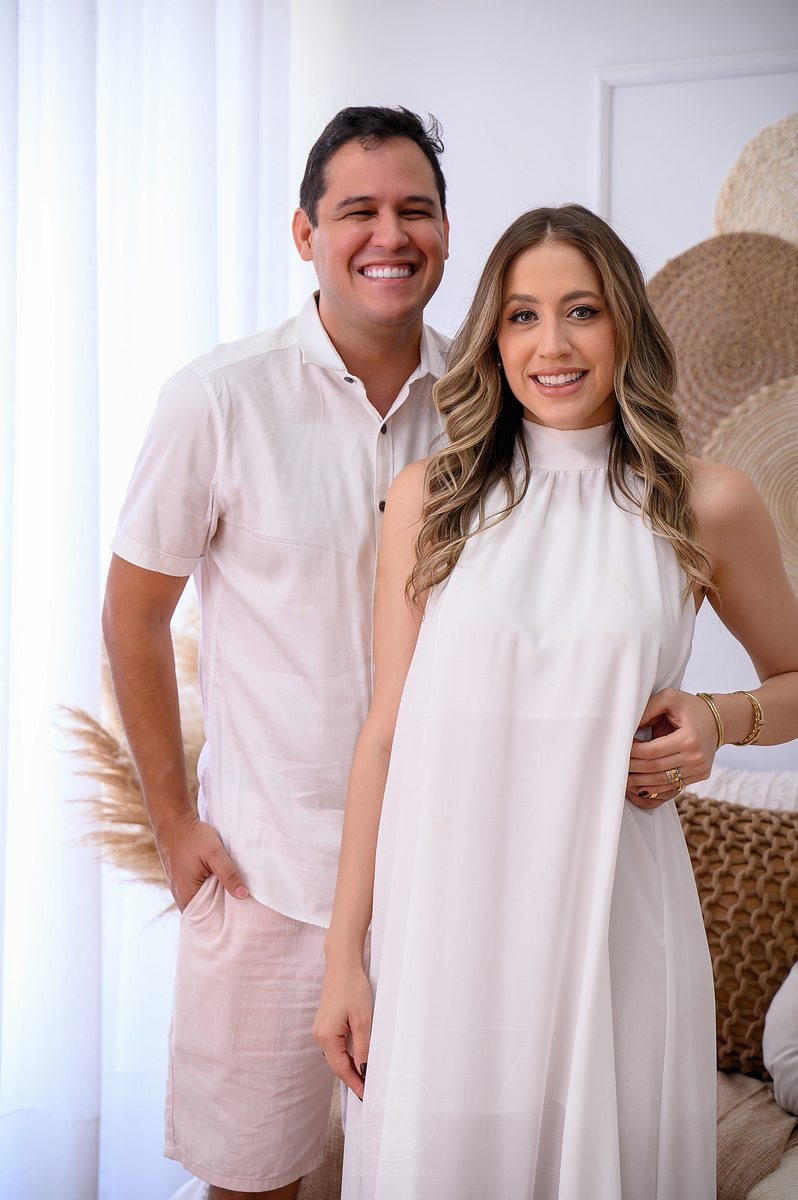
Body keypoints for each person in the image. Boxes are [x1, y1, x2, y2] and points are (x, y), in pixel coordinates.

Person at [314, 204, 798, 1199]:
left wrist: (718, 719)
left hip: (615, 932)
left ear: (625, 325)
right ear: (494, 339)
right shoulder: (431, 498)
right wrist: (344, 961)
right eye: (523, 316)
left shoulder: (705, 502)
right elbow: (385, 736)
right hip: (447, 928)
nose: (553, 345)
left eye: (581, 311)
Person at [102, 106, 450, 1200]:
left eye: (415, 209)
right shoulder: (218, 399)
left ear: (445, 232)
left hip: (444, 880)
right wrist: (173, 823)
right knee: (252, 1186)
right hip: (268, 881)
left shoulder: (493, 406)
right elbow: (131, 614)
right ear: (306, 234)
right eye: (358, 211)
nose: (389, 235)